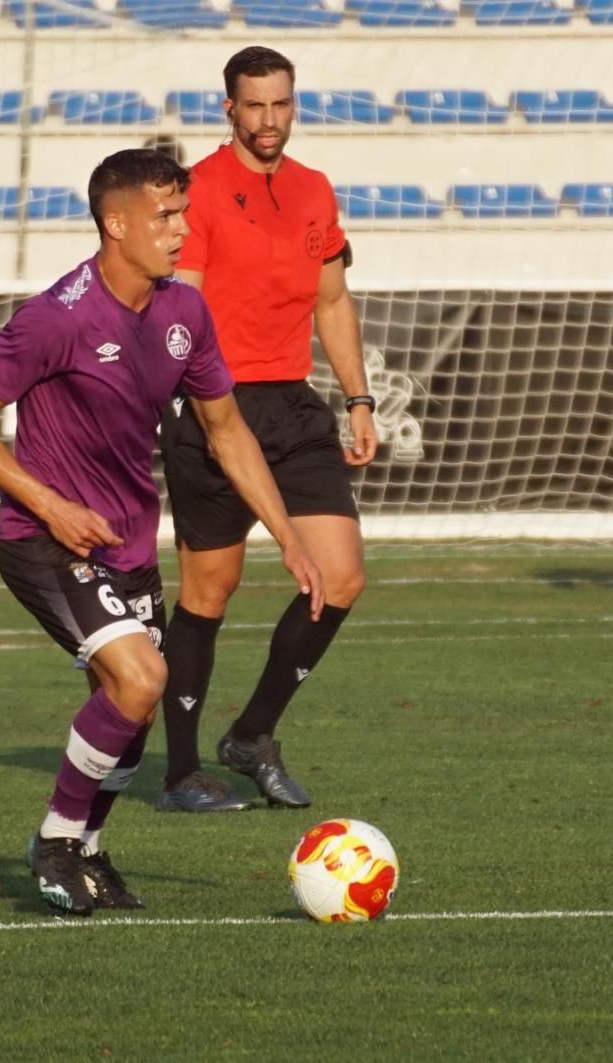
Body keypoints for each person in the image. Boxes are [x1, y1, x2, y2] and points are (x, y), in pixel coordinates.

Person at [0, 148, 323, 916]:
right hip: (46, 541)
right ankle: (54, 842)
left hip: (129, 547)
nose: (182, 231)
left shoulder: (184, 313)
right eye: (165, 217)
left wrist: (285, 532)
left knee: (130, 719)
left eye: (184, 213)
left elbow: (226, 430)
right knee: (143, 679)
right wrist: (48, 503)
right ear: (116, 225)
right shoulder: (57, 317)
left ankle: (86, 851)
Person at [155, 45, 378, 814]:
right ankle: (182, 772)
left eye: (281, 103)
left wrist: (358, 398)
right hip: (214, 406)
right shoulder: (200, 192)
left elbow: (333, 301)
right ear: (229, 109)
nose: (270, 119)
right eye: (254, 105)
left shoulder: (315, 190)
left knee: (341, 575)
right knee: (208, 592)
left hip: (291, 403)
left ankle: (252, 734)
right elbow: (179, 304)